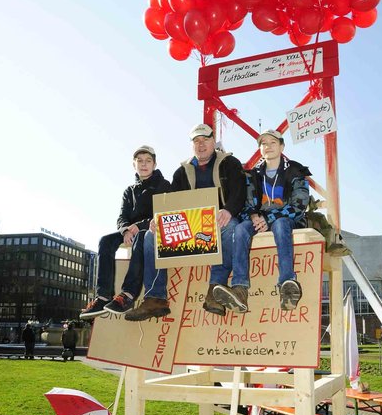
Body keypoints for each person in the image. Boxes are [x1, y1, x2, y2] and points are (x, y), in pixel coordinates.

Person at [125, 123, 246, 321]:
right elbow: (173, 201)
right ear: (192, 145)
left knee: (231, 227)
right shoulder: (181, 172)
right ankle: (155, 298)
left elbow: (239, 192)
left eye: (205, 140)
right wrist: (159, 219)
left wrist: (229, 210)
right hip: (191, 225)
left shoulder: (230, 163)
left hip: (219, 220)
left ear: (213, 141)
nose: (201, 145)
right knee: (149, 236)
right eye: (196, 141)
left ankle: (215, 291)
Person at [212, 129, 310, 313]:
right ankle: (240, 289)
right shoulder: (253, 175)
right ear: (260, 149)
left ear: (282, 146)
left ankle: (287, 284)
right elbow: (247, 204)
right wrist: (254, 216)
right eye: (264, 143)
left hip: (286, 219)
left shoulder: (295, 171)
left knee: (280, 225)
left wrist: (269, 217)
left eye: (273, 142)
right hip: (260, 220)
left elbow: (299, 205)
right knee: (240, 229)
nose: (268, 147)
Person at [80, 146, 170, 319]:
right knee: (105, 241)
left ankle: (128, 294)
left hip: (150, 230)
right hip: (130, 231)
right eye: (140, 161)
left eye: (148, 161)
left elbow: (165, 212)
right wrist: (125, 230)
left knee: (141, 238)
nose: (144, 164)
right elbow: (122, 217)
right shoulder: (129, 191)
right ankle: (103, 296)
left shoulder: (163, 185)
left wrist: (139, 225)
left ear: (155, 164)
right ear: (134, 165)